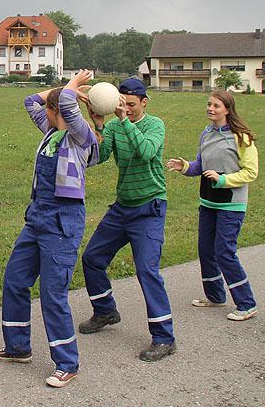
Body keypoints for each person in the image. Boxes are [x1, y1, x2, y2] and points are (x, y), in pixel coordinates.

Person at [0, 70, 99, 388]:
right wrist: (58, 90)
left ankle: (67, 363)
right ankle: (18, 347)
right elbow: (29, 100)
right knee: (15, 280)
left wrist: (71, 88)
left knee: (53, 294)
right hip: (36, 219)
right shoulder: (50, 131)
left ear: (59, 112)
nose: (46, 114)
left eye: (51, 110)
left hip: (62, 224)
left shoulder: (80, 137)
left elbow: (64, 100)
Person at [78, 78, 177, 361]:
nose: (127, 109)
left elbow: (146, 153)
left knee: (147, 271)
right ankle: (105, 311)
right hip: (123, 208)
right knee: (92, 258)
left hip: (149, 208)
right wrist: (98, 125)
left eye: (131, 105)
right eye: (123, 104)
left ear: (144, 103)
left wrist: (124, 122)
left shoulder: (154, 125)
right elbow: (97, 158)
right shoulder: (113, 126)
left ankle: (164, 338)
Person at [166, 90, 259, 321]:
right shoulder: (206, 133)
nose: (210, 109)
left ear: (227, 109)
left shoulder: (241, 138)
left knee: (224, 252)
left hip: (231, 205)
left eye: (216, 106)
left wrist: (223, 180)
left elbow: (251, 172)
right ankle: (216, 296)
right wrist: (185, 166)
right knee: (206, 250)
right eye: (209, 104)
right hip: (207, 202)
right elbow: (201, 165)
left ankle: (246, 303)